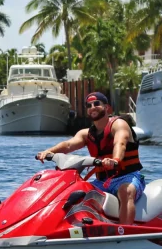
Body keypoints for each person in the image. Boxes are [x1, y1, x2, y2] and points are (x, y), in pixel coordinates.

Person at [35, 91, 144, 225]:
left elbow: (120, 143)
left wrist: (115, 160)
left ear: (107, 108)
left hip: (127, 177)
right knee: (75, 191)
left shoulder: (119, 124)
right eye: (89, 105)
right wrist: (49, 151)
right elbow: (68, 145)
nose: (92, 107)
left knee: (125, 191)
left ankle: (126, 232)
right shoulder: (86, 134)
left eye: (97, 103)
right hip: (103, 181)